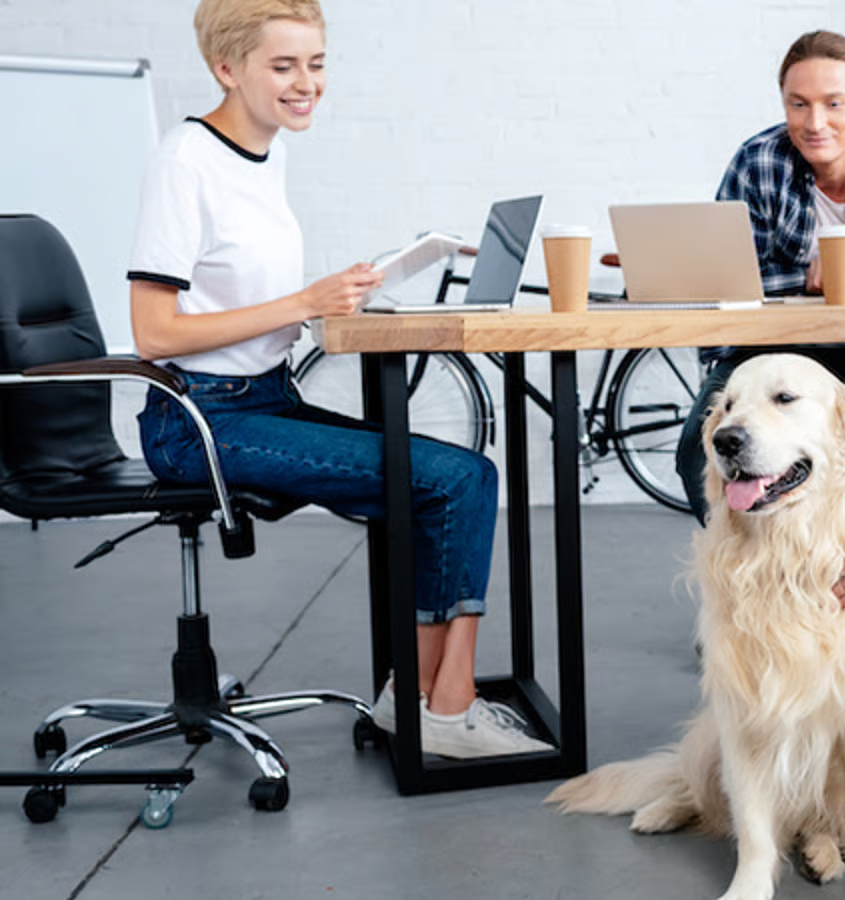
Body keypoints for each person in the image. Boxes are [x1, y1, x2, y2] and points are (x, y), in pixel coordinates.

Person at [127, 0, 546, 759]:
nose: (306, 83)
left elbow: (239, 303)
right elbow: (153, 334)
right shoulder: (186, 161)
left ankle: (419, 699)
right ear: (227, 69)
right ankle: (444, 706)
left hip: (263, 397)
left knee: (464, 477)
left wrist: (345, 297)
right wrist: (303, 302)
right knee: (450, 481)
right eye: (283, 66)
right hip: (200, 426)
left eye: (316, 64)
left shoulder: (268, 150)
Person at [674, 30, 845, 523]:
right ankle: (754, 574)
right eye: (798, 104)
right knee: (696, 458)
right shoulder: (757, 163)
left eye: (834, 104)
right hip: (763, 352)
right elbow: (730, 282)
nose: (814, 122)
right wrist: (819, 276)